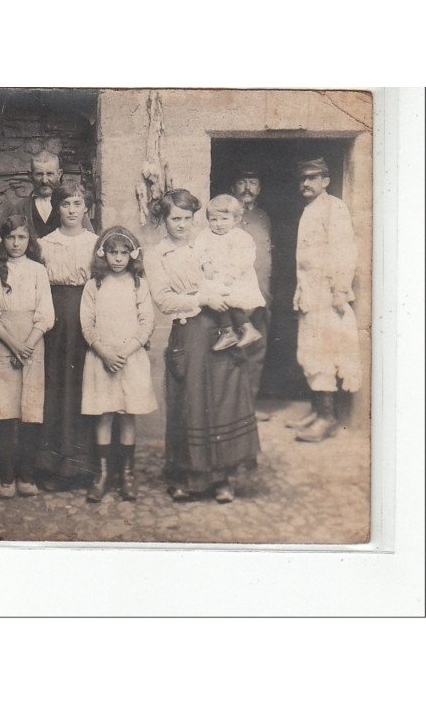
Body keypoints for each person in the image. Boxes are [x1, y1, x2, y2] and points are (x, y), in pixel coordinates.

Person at [145, 189, 260, 503]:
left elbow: (238, 275)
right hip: (188, 332)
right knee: (190, 405)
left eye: (186, 218)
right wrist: (201, 298)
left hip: (220, 331)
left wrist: (226, 300)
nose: (181, 225)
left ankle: (223, 478)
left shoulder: (208, 243)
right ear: (163, 219)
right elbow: (163, 299)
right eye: (174, 219)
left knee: (222, 402)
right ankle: (184, 476)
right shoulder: (157, 254)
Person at [80, 226, 157, 502]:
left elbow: (147, 322)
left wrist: (126, 350)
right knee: (104, 414)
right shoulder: (94, 285)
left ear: (132, 256)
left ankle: (127, 476)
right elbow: (87, 324)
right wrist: (105, 352)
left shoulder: (138, 284)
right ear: (103, 254)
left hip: (130, 358)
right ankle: (101, 475)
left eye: (124, 253)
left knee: (127, 415)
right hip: (102, 358)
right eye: (113, 252)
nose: (118, 259)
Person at [288, 157, 361, 443]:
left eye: (313, 177)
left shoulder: (334, 207)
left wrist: (340, 291)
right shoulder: (311, 209)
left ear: (326, 181)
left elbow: (344, 251)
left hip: (328, 293)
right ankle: (317, 411)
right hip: (310, 291)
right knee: (309, 351)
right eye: (303, 178)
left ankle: (328, 419)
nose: (306, 183)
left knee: (324, 353)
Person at [0, 216, 55, 498]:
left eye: (22, 238)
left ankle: (27, 474)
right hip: (2, 342)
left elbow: (46, 314)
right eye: (11, 237)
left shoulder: (38, 271)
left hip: (32, 343)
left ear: (30, 241)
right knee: (2, 411)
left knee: (30, 410)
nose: (16, 244)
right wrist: (14, 344)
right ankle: (5, 476)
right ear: (2, 240)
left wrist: (27, 343)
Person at [37, 182, 99, 490]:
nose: (72, 210)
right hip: (54, 319)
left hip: (85, 317)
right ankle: (53, 466)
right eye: (65, 204)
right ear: (56, 208)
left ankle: (83, 465)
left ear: (86, 208)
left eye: (77, 204)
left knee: (83, 387)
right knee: (55, 386)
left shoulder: (95, 243)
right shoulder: (45, 244)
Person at [195, 194, 265, 351]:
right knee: (217, 297)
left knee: (229, 298)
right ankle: (230, 331)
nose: (219, 224)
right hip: (215, 277)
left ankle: (244, 329)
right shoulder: (205, 235)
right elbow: (199, 250)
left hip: (235, 277)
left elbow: (245, 258)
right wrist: (205, 263)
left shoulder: (240, 237)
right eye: (214, 219)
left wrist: (232, 274)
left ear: (236, 219)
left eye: (224, 219)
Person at [230, 165, 273, 417]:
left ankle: (248, 408)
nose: (247, 188)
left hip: (262, 296)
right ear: (232, 187)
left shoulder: (263, 217)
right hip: (236, 299)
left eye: (253, 183)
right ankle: (232, 410)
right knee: (234, 352)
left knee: (256, 353)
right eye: (242, 182)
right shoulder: (225, 218)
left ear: (260, 188)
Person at [12, 151, 94, 237]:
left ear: (59, 174)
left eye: (50, 174)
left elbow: (89, 239)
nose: (44, 180)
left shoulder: (73, 206)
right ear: (30, 176)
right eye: (39, 174)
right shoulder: (20, 208)